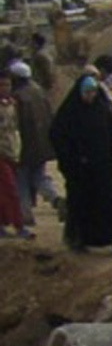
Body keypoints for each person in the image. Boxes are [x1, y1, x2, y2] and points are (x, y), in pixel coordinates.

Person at [50, 73, 112, 254]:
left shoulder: (101, 110)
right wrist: (74, 159)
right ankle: (78, 240)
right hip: (81, 172)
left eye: (93, 92)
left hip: (105, 168)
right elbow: (57, 137)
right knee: (82, 206)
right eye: (87, 93)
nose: (91, 96)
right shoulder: (69, 114)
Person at [9, 61, 59, 235]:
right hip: (42, 145)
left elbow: (15, 125)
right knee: (40, 176)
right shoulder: (39, 92)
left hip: (25, 146)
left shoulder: (17, 97)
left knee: (21, 180)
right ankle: (55, 197)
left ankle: (25, 214)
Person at [0, 75, 26, 236]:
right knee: (11, 190)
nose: (5, 88)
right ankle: (19, 225)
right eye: (2, 85)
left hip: (11, 151)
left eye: (7, 84)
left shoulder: (12, 105)